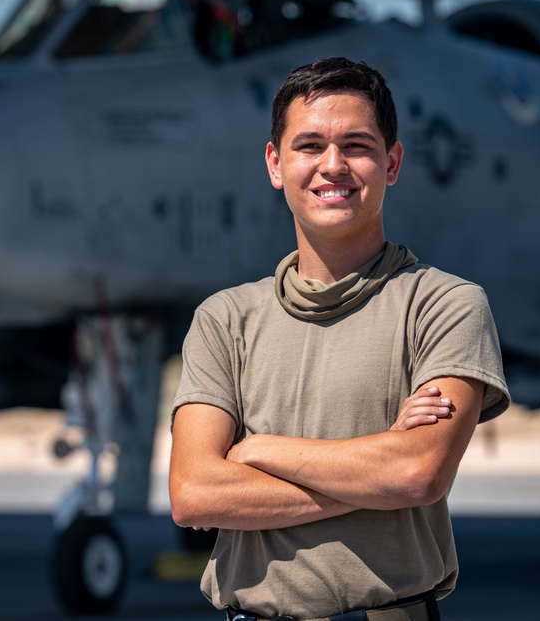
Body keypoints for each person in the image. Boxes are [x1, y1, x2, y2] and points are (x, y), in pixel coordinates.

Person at [169, 57, 510, 621]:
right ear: (275, 164)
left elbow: (417, 473)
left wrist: (258, 451)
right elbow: (194, 494)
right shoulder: (223, 320)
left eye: (356, 146)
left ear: (392, 162)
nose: (333, 166)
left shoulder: (445, 306)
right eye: (309, 146)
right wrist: (374, 473)